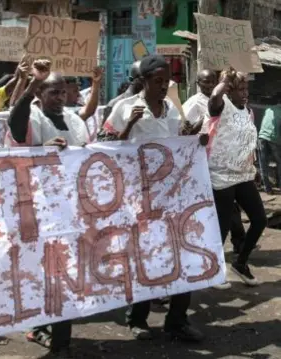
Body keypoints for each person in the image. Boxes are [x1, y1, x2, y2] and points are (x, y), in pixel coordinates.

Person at [105, 54, 203, 343]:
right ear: (143, 81)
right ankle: (138, 319)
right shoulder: (125, 108)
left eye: (166, 81)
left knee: (182, 254)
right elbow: (102, 147)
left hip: (170, 196)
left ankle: (177, 321)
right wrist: (128, 128)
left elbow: (175, 146)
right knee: (145, 258)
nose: (163, 86)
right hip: (138, 198)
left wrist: (192, 139)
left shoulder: (171, 109)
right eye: (157, 81)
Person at [7, 60, 100, 357]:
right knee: (49, 272)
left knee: (66, 272)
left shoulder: (73, 119)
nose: (60, 98)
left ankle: (59, 335)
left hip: (72, 207)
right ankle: (52, 333)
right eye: (53, 93)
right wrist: (45, 148)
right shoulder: (32, 117)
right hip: (41, 209)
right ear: (40, 95)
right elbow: (15, 125)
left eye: (63, 92)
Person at [206, 68, 267, 289]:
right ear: (230, 91)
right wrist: (224, 83)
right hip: (221, 175)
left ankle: (240, 263)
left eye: (246, 88)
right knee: (222, 227)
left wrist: (254, 166)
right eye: (240, 89)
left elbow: (247, 142)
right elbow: (214, 98)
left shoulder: (248, 112)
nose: (245, 93)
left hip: (243, 174)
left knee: (260, 219)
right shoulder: (222, 107)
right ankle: (213, 271)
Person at [258, 94, 281, 193]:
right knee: (280, 162)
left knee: (263, 163)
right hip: (275, 139)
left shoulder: (268, 109)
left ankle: (268, 188)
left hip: (262, 137)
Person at [182, 69, 217, 135]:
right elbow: (185, 130)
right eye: (207, 82)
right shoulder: (194, 102)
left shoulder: (221, 99)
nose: (211, 84)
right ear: (198, 83)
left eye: (213, 82)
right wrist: (205, 118)